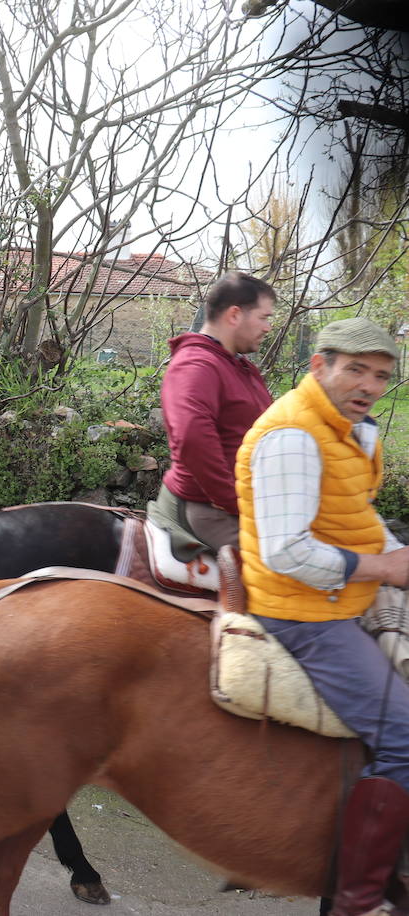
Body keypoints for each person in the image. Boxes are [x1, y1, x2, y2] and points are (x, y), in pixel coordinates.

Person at [236, 317, 409, 916]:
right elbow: (288, 552)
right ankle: (356, 901)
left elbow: (353, 515)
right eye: (355, 368)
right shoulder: (294, 435)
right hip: (305, 613)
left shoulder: (353, 431)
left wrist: (393, 554)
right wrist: (387, 571)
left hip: (345, 593)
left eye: (380, 375)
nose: (368, 384)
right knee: (404, 737)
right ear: (320, 365)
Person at [147, 271, 274, 556]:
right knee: (287, 571)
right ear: (234, 315)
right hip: (210, 510)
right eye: (263, 317)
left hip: (244, 506)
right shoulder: (196, 365)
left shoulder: (237, 367)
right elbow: (193, 439)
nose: (267, 327)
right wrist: (235, 501)